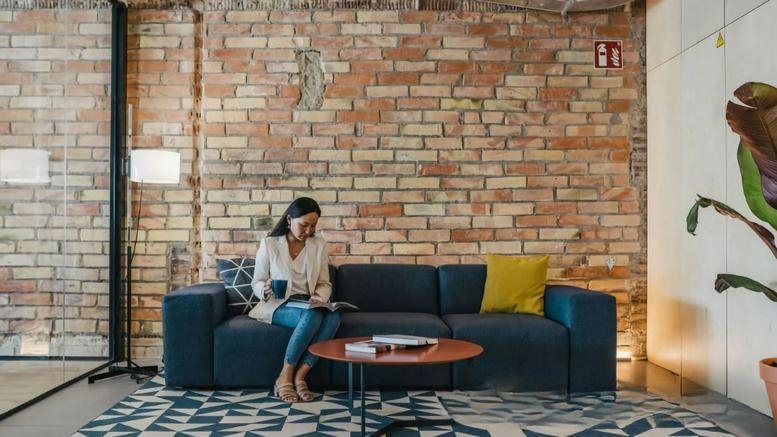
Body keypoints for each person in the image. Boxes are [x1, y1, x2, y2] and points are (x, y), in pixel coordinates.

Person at [248, 197, 340, 403]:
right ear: (289, 220)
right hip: (278, 304)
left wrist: (319, 297)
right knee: (313, 314)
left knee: (334, 317)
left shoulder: (318, 245)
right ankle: (285, 375)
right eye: (304, 225)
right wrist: (265, 288)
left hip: (308, 302)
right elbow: (257, 281)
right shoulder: (269, 244)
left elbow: (325, 283)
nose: (308, 231)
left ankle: (300, 376)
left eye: (313, 226)